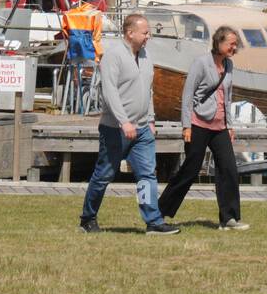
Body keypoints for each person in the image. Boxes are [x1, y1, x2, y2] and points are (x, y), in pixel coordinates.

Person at [80, 13, 180, 235]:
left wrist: (151, 119)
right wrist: (124, 122)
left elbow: (148, 90)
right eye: (145, 32)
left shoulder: (145, 56)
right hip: (115, 128)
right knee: (104, 174)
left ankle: (153, 221)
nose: (148, 37)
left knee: (147, 175)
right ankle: (88, 218)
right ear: (130, 33)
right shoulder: (113, 56)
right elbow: (110, 92)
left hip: (143, 128)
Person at [158, 26, 249, 230]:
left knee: (229, 170)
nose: (235, 47)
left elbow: (227, 96)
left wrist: (230, 125)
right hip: (198, 123)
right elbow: (188, 95)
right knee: (189, 170)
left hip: (220, 127)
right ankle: (159, 211)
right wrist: (186, 125)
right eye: (231, 44)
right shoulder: (201, 63)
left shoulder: (229, 65)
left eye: (236, 44)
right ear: (219, 43)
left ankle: (229, 218)